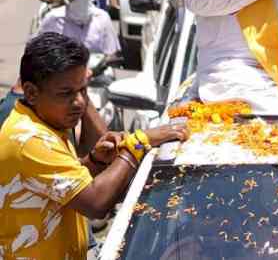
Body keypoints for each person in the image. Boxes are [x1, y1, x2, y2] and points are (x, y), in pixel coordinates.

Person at [0, 33, 189, 259]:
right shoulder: (29, 139)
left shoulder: (45, 122)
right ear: (31, 92)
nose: (79, 102)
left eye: (83, 90)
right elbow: (96, 204)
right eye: (66, 93)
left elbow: (59, 185)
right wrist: (139, 142)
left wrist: (94, 161)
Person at [37, 0, 120, 58]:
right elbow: (39, 48)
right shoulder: (53, 18)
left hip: (96, 69)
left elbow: (111, 51)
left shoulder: (102, 18)